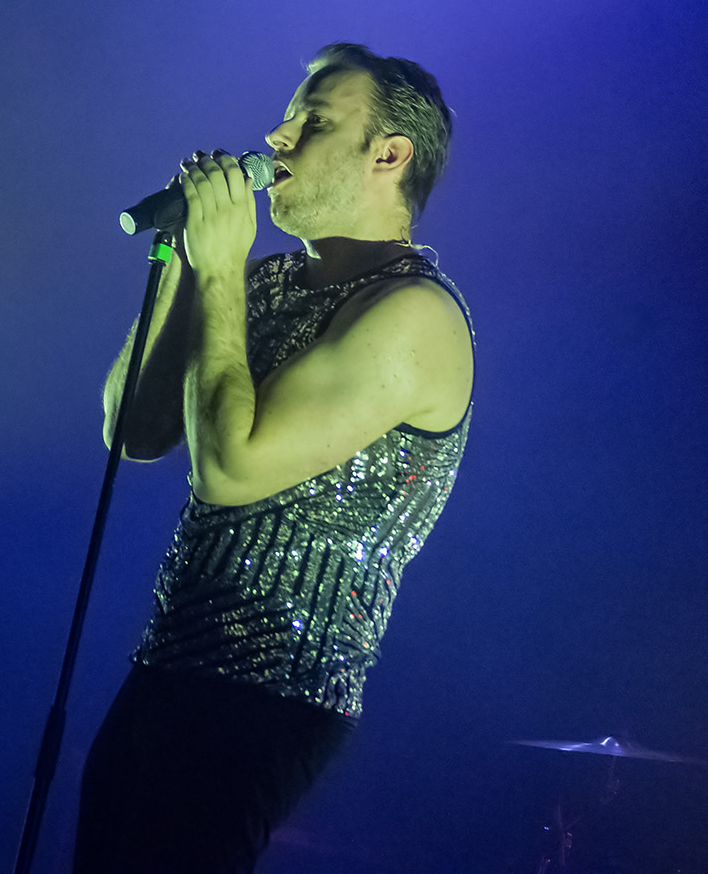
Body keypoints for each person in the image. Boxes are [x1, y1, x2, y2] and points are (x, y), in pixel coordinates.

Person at [74, 43, 473, 873]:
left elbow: (229, 470)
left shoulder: (414, 314)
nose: (276, 136)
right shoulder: (271, 283)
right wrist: (195, 265)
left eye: (313, 121)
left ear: (389, 155)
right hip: (167, 664)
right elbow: (135, 431)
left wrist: (224, 266)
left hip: (267, 694)